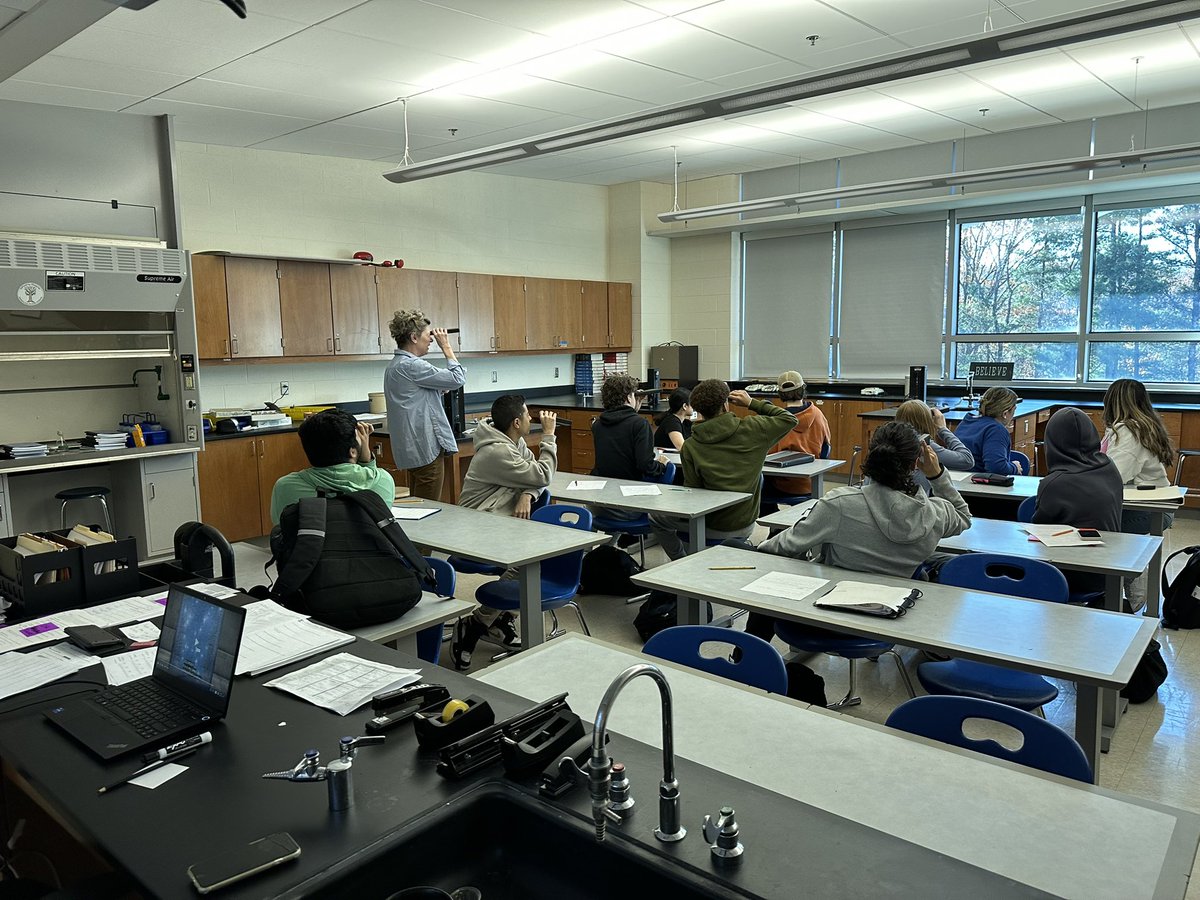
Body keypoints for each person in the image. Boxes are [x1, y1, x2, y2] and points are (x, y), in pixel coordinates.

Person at [452, 395, 559, 668]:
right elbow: (543, 475)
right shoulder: (498, 452)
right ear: (516, 422)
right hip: (478, 527)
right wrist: (549, 436)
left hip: (501, 522)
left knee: (542, 555)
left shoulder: (515, 442)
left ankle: (492, 620)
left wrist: (528, 494)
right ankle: (479, 624)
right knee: (532, 560)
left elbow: (538, 476)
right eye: (527, 414)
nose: (531, 418)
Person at [649, 379, 796, 559]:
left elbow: (693, 493)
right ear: (726, 404)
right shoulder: (753, 429)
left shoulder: (690, 446)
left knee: (655, 518)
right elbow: (789, 418)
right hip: (745, 523)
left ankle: (680, 560)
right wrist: (751, 403)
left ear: (697, 410)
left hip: (709, 524)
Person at [1034, 407, 1123, 600]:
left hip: (1072, 574)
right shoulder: (1108, 465)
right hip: (1109, 566)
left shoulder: (1054, 483)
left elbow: (1039, 528)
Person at [384, 308, 466, 503]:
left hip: (411, 450)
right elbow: (457, 378)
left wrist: (436, 390)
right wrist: (446, 346)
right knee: (427, 509)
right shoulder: (413, 365)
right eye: (427, 335)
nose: (431, 340)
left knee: (417, 504)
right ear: (414, 337)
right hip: (426, 449)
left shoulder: (394, 365)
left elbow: (414, 396)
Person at [269, 409, 393, 525]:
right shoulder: (382, 481)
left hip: (309, 542)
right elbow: (366, 480)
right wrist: (366, 459)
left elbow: (279, 526)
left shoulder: (285, 486)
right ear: (352, 451)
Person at [592, 373, 670, 522]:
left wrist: (633, 411)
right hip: (628, 505)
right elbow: (645, 465)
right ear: (629, 397)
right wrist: (662, 465)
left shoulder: (598, 424)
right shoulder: (639, 424)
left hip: (599, 504)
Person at [762, 370, 831, 504]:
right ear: (803, 389)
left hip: (780, 485)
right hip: (811, 482)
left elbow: (768, 456)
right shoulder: (818, 414)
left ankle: (772, 515)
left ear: (780, 393)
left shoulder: (776, 421)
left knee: (754, 489)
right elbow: (826, 445)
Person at [894, 399, 974, 494]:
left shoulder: (892, 441)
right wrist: (942, 429)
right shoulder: (923, 445)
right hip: (918, 500)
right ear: (928, 421)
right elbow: (967, 460)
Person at [954, 386, 1028, 475]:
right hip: (977, 481)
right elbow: (996, 468)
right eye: (1014, 410)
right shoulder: (996, 430)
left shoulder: (967, 421)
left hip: (955, 478)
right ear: (1005, 413)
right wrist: (1014, 467)